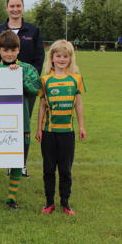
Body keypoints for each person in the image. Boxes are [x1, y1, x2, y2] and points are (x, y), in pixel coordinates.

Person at [0, 0, 44, 177]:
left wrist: (28, 77)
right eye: (12, 6)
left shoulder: (33, 30)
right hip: (3, 87)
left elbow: (39, 59)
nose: (15, 9)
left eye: (18, 6)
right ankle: (8, 160)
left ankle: (22, 165)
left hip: (26, 88)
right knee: (6, 124)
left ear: (22, 7)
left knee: (24, 125)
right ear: (7, 8)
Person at [0, 30, 41, 210]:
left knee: (17, 159)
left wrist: (19, 76)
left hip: (21, 122)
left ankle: (11, 198)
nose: (9, 53)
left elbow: (35, 89)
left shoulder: (27, 68)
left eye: (13, 50)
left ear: (18, 50)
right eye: (5, 50)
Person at [36, 39, 86, 216]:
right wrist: (39, 128)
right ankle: (49, 202)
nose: (62, 59)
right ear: (52, 58)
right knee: (48, 169)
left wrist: (81, 126)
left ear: (70, 59)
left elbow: (78, 105)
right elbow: (42, 105)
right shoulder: (45, 80)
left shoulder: (76, 79)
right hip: (49, 133)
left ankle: (65, 203)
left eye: (66, 56)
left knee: (65, 170)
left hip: (67, 133)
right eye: (58, 56)